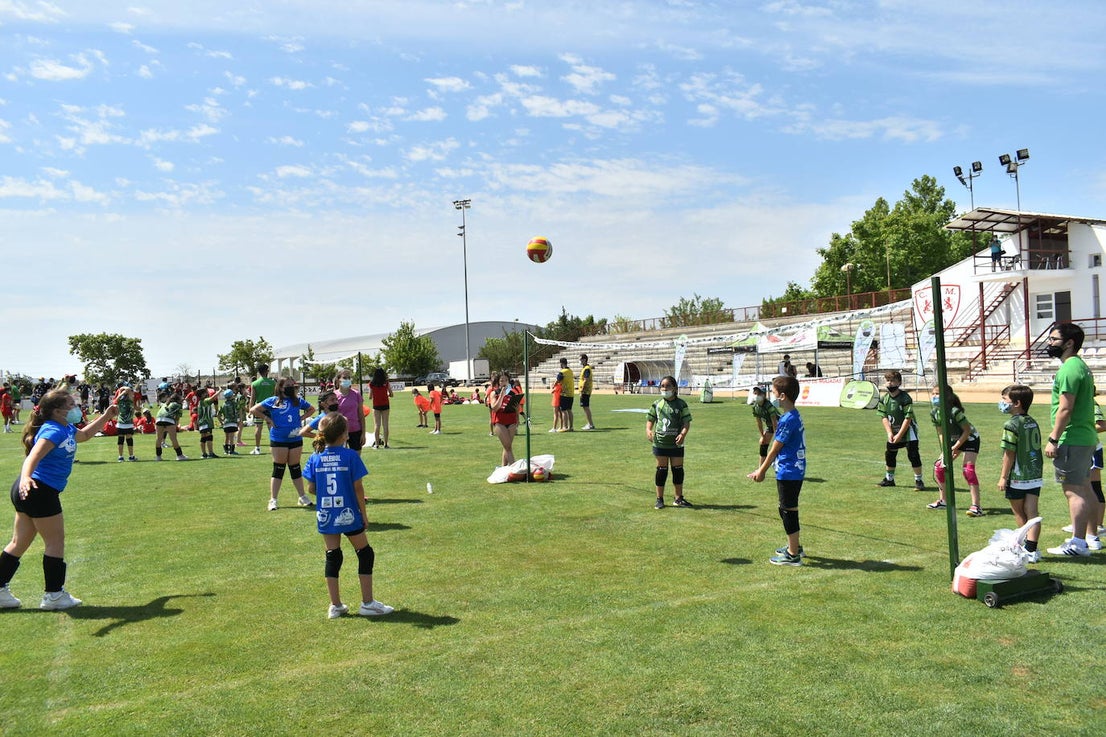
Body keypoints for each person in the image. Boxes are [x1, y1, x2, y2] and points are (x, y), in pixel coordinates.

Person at [0, 389, 118, 610]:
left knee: (20, 542)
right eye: (71, 405)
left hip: (29, 490)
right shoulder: (53, 431)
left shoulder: (66, 427)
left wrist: (106, 416)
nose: (76, 408)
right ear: (57, 411)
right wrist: (26, 478)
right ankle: (54, 595)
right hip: (37, 489)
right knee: (55, 542)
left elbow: (83, 435)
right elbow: (32, 457)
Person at [301, 413, 394, 619]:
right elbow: (358, 489)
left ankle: (335, 605)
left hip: (325, 514)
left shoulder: (315, 457)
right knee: (365, 553)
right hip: (349, 513)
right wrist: (364, 515)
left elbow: (312, 489)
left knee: (333, 556)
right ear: (344, 435)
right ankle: (367, 603)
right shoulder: (351, 456)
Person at [1043, 322, 1099, 557]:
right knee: (1085, 488)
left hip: (1073, 438)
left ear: (1069, 343)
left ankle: (1078, 543)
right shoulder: (1079, 366)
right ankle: (1086, 537)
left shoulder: (1069, 369)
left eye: (1054, 339)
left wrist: (1053, 438)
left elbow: (1065, 409)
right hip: (1084, 436)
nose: (1050, 343)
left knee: (1073, 491)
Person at [747, 375, 806, 566]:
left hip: (789, 471)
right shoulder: (792, 416)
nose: (771, 396)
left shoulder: (788, 420)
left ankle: (792, 554)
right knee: (785, 508)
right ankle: (794, 546)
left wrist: (761, 471)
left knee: (788, 510)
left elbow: (774, 449)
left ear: (782, 396)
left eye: (773, 392)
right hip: (790, 470)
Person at [251, 377, 315, 511]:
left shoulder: (297, 401)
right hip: (279, 439)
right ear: (280, 387)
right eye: (288, 385)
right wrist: (268, 418)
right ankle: (273, 500)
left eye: (292, 384)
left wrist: (301, 419)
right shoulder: (273, 401)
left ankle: (302, 496)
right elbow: (254, 409)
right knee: (278, 469)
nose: (291, 387)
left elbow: (311, 409)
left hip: (295, 438)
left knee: (295, 468)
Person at [997, 385, 1044, 562]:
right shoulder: (1032, 421)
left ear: (1017, 403)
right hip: (1034, 472)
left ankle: (1025, 548)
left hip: (1018, 475)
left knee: (1019, 512)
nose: (1002, 403)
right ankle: (1033, 548)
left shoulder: (1011, 424)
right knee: (1032, 512)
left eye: (1004, 400)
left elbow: (1010, 453)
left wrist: (1003, 476)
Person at [927, 385, 983, 516]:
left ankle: (976, 506)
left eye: (938, 394)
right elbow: (941, 433)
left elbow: (967, 430)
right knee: (939, 467)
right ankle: (943, 501)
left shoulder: (955, 412)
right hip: (953, 441)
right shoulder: (934, 413)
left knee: (968, 471)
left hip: (970, 439)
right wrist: (945, 449)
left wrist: (955, 446)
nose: (934, 396)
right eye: (933, 394)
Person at [645, 375, 692, 509]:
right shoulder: (657, 403)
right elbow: (650, 419)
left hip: (676, 444)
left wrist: (683, 434)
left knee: (678, 470)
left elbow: (686, 422)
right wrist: (648, 430)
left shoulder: (681, 404)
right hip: (660, 443)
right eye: (663, 386)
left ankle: (678, 498)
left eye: (668, 386)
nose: (665, 388)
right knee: (661, 470)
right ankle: (659, 499)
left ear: (675, 388)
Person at [876, 370, 924, 490]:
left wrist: (899, 435)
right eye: (887, 381)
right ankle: (889, 479)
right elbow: (884, 417)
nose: (890, 383)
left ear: (899, 382)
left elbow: (908, 418)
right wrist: (890, 433)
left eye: (892, 381)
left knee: (913, 455)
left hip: (909, 431)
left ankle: (919, 481)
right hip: (893, 431)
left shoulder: (905, 398)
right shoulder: (884, 399)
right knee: (890, 455)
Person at [490, 371, 523, 467]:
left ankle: (503, 468)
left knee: (507, 446)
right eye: (501, 380)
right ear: (498, 382)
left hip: (511, 420)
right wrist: (501, 396)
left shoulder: (513, 392)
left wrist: (517, 418)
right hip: (500, 421)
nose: (504, 382)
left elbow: (516, 408)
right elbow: (495, 408)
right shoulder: (494, 393)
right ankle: (514, 468)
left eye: (506, 380)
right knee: (508, 447)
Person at [335, 368, 367, 453]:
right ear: (338, 380)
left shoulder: (356, 394)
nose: (347, 380)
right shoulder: (334, 396)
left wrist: (363, 433)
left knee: (356, 459)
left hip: (356, 430)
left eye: (349, 378)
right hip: (340, 432)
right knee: (341, 459)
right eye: (345, 377)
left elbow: (361, 415)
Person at [249, 364, 276, 455]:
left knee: (258, 427)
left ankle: (257, 448)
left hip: (258, 408)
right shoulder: (272, 383)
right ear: (266, 371)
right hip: (270, 407)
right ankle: (275, 446)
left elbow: (252, 398)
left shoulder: (254, 383)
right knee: (271, 427)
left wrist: (250, 410)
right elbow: (275, 396)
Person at [154, 391, 188, 461]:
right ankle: (179, 455)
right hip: (169, 419)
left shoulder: (165, 403)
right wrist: (175, 427)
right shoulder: (178, 406)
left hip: (158, 419)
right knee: (173, 438)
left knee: (158, 438)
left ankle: (158, 457)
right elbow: (177, 419)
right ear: (178, 399)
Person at [750, 385, 780, 461]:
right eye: (755, 394)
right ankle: (761, 469)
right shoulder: (755, 407)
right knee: (762, 443)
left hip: (780, 425)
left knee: (777, 447)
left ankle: (763, 468)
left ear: (764, 395)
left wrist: (777, 436)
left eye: (759, 394)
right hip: (770, 426)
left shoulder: (769, 406)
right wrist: (762, 435)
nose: (756, 396)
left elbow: (774, 421)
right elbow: (759, 422)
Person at [368, 368, 393, 449]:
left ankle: (377, 444)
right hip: (385, 404)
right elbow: (391, 394)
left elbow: (370, 396)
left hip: (376, 405)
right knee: (385, 424)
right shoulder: (386, 382)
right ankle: (385, 444)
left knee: (377, 425)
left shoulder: (372, 384)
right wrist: (387, 395)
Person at [113, 385, 139, 461]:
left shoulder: (119, 401)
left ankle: (120, 457)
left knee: (120, 440)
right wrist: (125, 390)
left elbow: (118, 396)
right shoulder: (130, 400)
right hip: (128, 424)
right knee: (129, 440)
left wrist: (122, 391)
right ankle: (131, 456)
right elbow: (128, 390)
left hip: (120, 424)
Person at [196, 387, 218, 459]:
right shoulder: (205, 401)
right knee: (209, 437)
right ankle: (211, 453)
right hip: (207, 422)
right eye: (205, 392)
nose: (206, 393)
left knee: (203, 438)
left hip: (201, 422)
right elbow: (212, 398)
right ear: (202, 394)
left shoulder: (199, 402)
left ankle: (204, 454)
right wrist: (219, 391)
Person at [555, 357, 575, 432]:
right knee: (569, 410)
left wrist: (554, 385)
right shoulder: (570, 371)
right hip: (571, 394)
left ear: (561, 363)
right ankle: (571, 427)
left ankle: (565, 427)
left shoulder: (562, 372)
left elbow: (557, 380)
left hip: (564, 394)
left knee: (564, 411)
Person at [219, 388, 241, 456]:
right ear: (231, 396)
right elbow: (238, 410)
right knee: (232, 437)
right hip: (232, 422)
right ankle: (231, 451)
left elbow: (218, 414)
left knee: (227, 437)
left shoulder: (223, 404)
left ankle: (226, 450)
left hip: (226, 422)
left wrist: (221, 421)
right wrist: (239, 419)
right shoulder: (234, 403)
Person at [578, 353, 596, 430]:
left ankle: (590, 424)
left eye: (580, 359)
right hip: (585, 391)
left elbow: (585, 380)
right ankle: (589, 423)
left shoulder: (587, 369)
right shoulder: (585, 368)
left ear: (584, 359)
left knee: (586, 407)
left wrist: (581, 390)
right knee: (585, 407)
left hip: (585, 391)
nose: (579, 361)